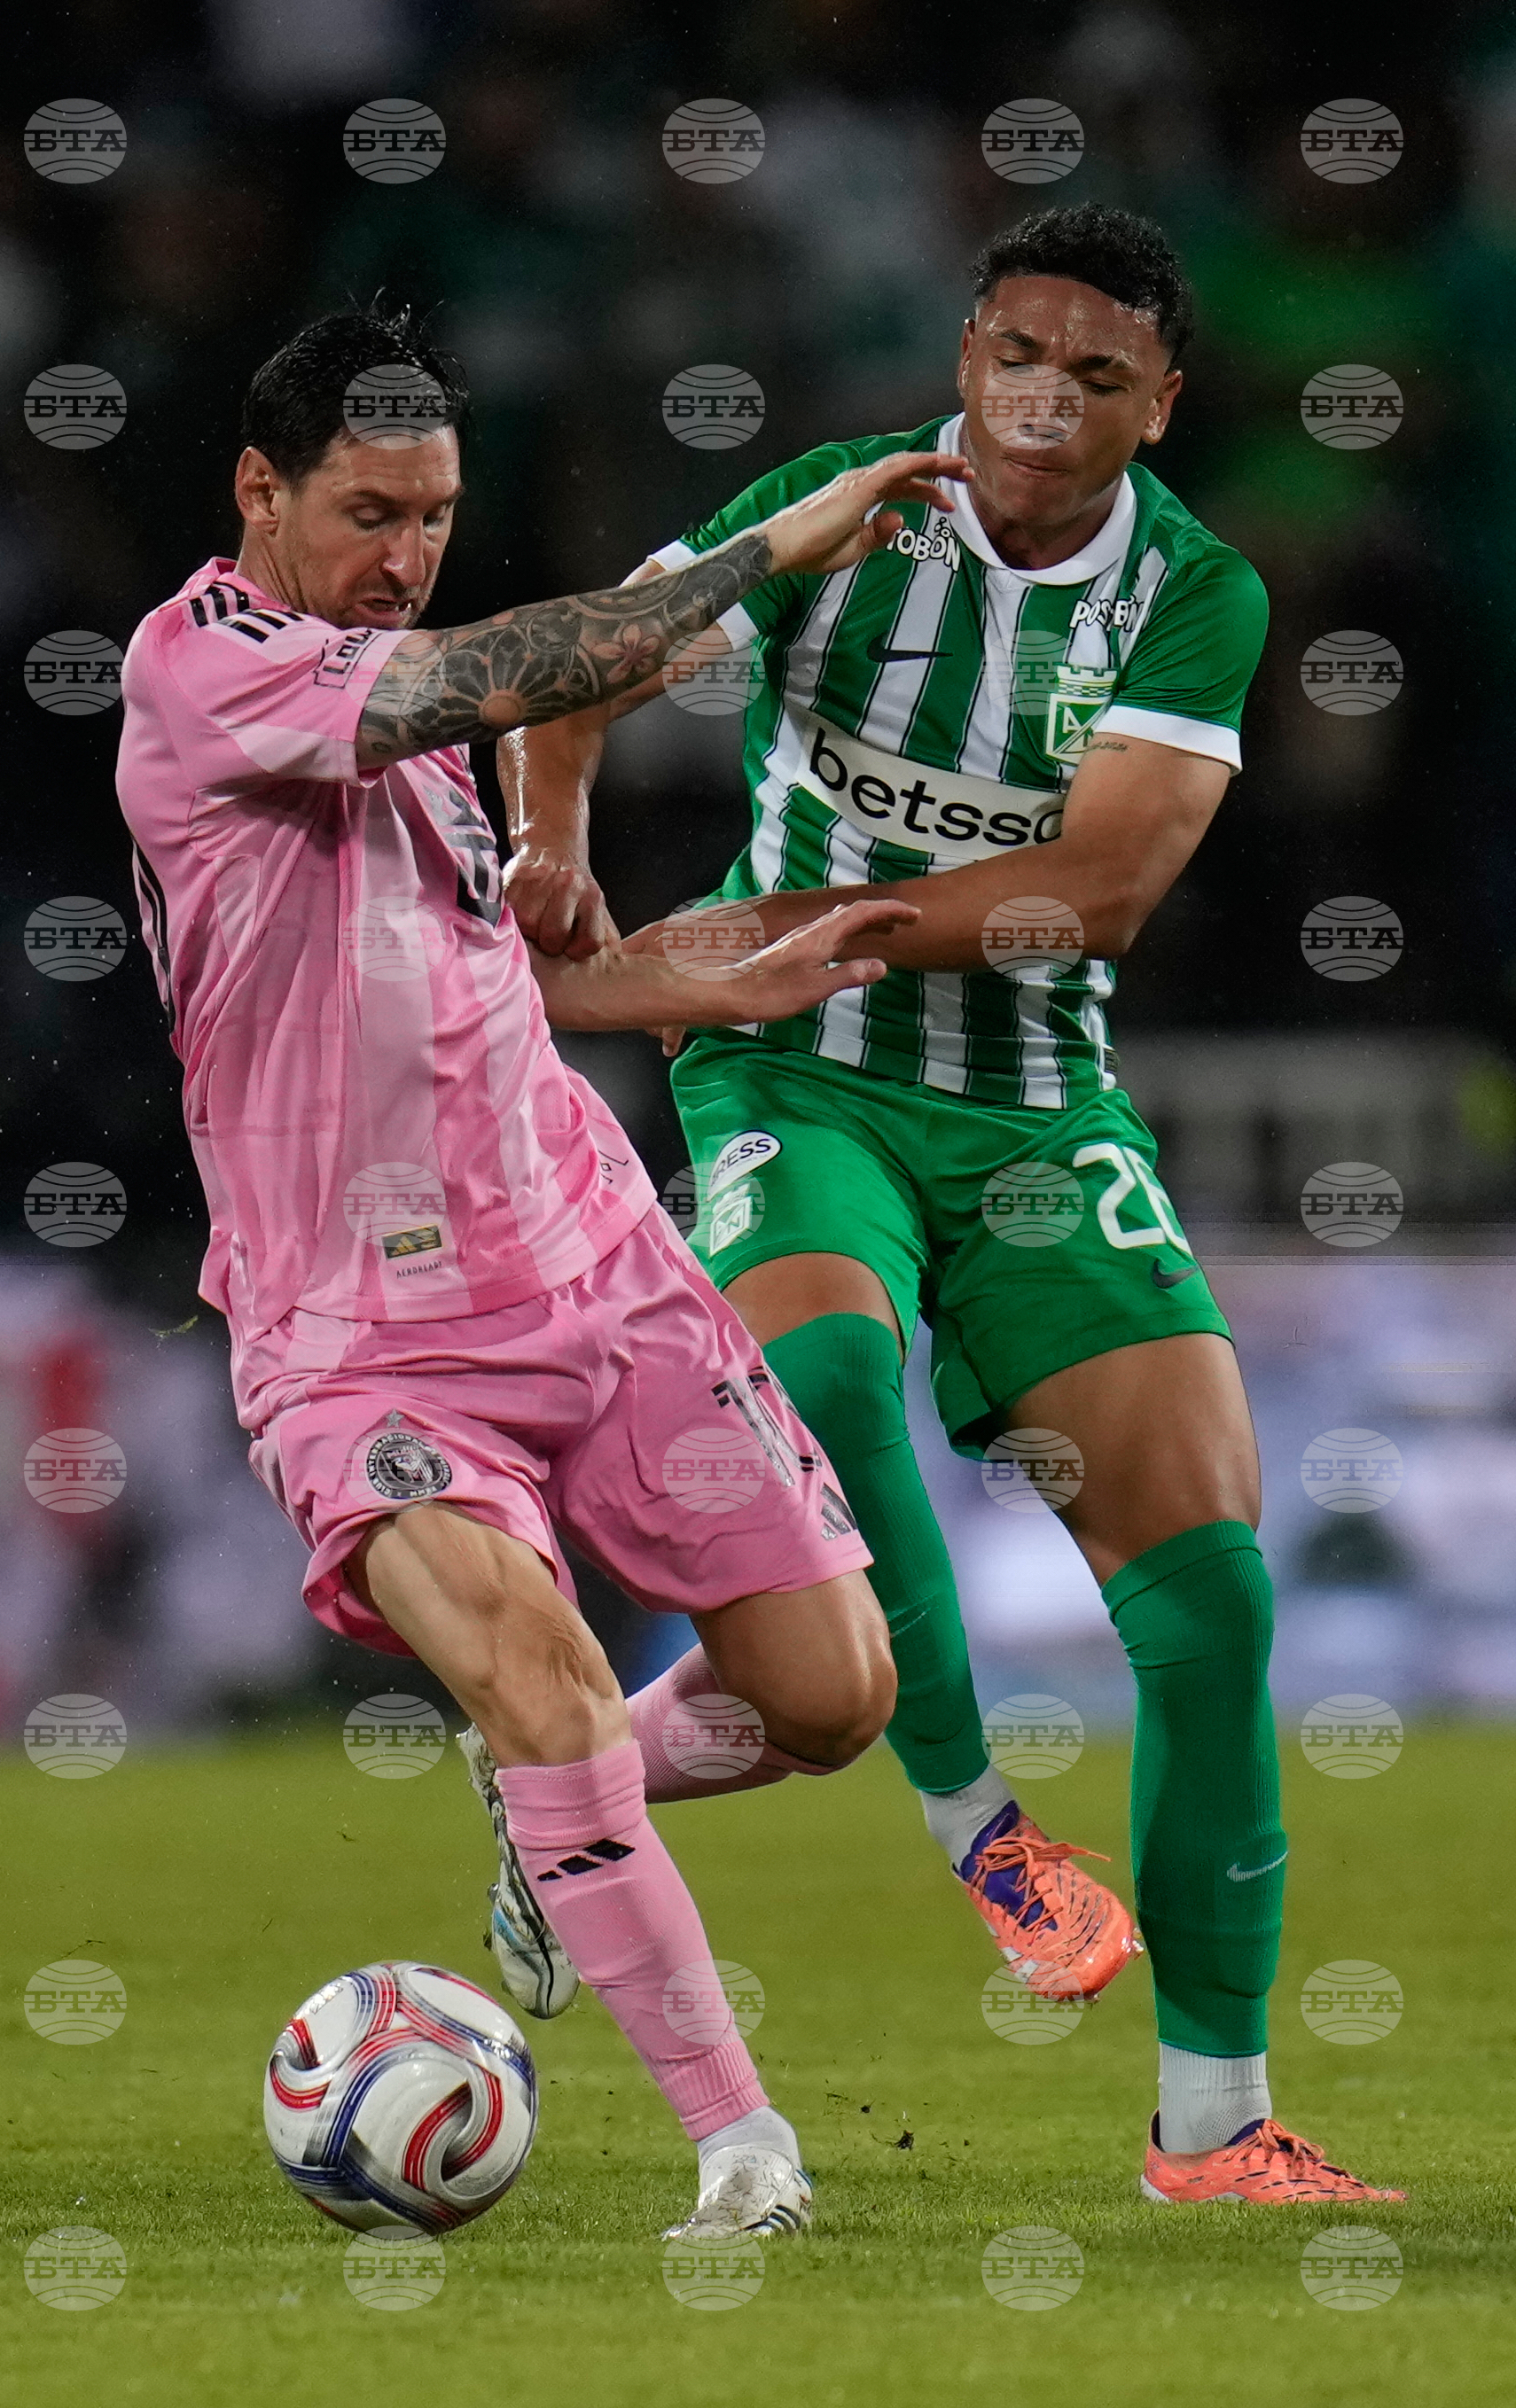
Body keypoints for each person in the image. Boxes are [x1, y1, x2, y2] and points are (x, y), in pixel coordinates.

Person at [500, 206, 1404, 2206]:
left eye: (1096, 375)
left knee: (1217, 1594)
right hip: (788, 1069)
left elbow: (1096, 892)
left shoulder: (1198, 593)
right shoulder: (845, 510)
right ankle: (988, 1836)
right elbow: (579, 664)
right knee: (825, 1359)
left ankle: (1214, 2130)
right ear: (966, 350)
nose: (1041, 401)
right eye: (1015, 352)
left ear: (1160, 406)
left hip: (1027, 1108)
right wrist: (556, 846)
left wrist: (801, 921)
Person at [114, 302, 969, 2239]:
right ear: (258, 492)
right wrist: (775, 547)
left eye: (433, 515)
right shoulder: (208, 671)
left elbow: (473, 973)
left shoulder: (386, 702)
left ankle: (550, 1818)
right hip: (364, 1343)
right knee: (550, 1679)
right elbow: (518, 671)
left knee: (832, 1695)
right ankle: (742, 2149)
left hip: (595, 1264)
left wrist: (679, 981)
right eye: (366, 510)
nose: (406, 551)